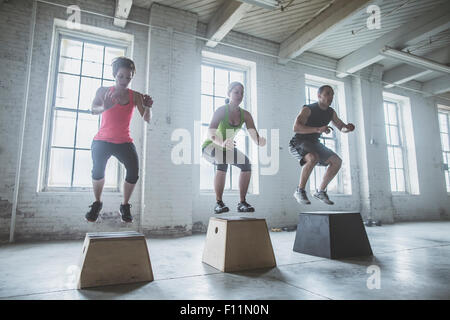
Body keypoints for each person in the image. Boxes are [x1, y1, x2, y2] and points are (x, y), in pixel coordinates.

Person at [85, 57, 153, 223]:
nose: (124, 80)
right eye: (121, 76)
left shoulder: (135, 96)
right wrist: (105, 107)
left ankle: (125, 205)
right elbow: (93, 110)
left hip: (123, 141)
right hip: (102, 140)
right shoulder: (103, 91)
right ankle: (97, 203)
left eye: (128, 77)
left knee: (133, 172)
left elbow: (147, 119)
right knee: (97, 170)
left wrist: (149, 107)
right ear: (115, 74)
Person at [202, 81, 266, 214]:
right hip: (211, 146)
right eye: (236, 92)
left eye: (242, 93)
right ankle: (218, 203)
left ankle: (242, 203)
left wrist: (259, 141)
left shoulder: (246, 115)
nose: (239, 95)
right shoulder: (221, 110)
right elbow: (211, 132)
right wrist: (222, 142)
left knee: (246, 164)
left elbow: (254, 134)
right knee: (223, 161)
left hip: (227, 148)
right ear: (229, 94)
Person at [289, 85, 355, 205]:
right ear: (319, 96)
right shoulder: (308, 109)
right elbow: (296, 128)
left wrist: (348, 128)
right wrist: (318, 129)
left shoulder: (331, 112)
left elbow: (341, 127)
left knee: (337, 161)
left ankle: (320, 191)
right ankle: (300, 190)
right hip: (299, 142)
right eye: (327, 94)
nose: (331, 97)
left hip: (314, 143)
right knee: (313, 157)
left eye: (332, 94)